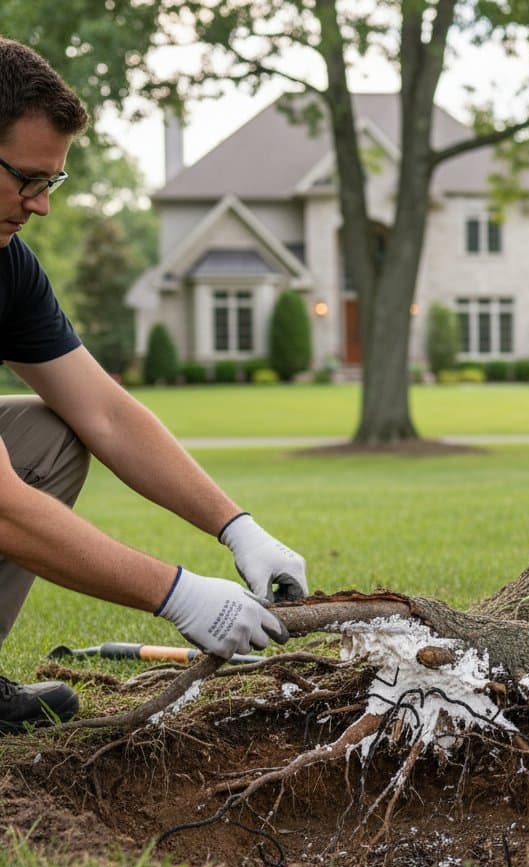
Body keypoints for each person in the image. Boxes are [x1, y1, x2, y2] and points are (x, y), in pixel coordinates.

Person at [0, 38, 308, 733]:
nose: (40, 205)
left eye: (51, 183)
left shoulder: (8, 266)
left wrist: (238, 529)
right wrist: (178, 595)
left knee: (49, 436)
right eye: (27, 179)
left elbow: (103, 411)